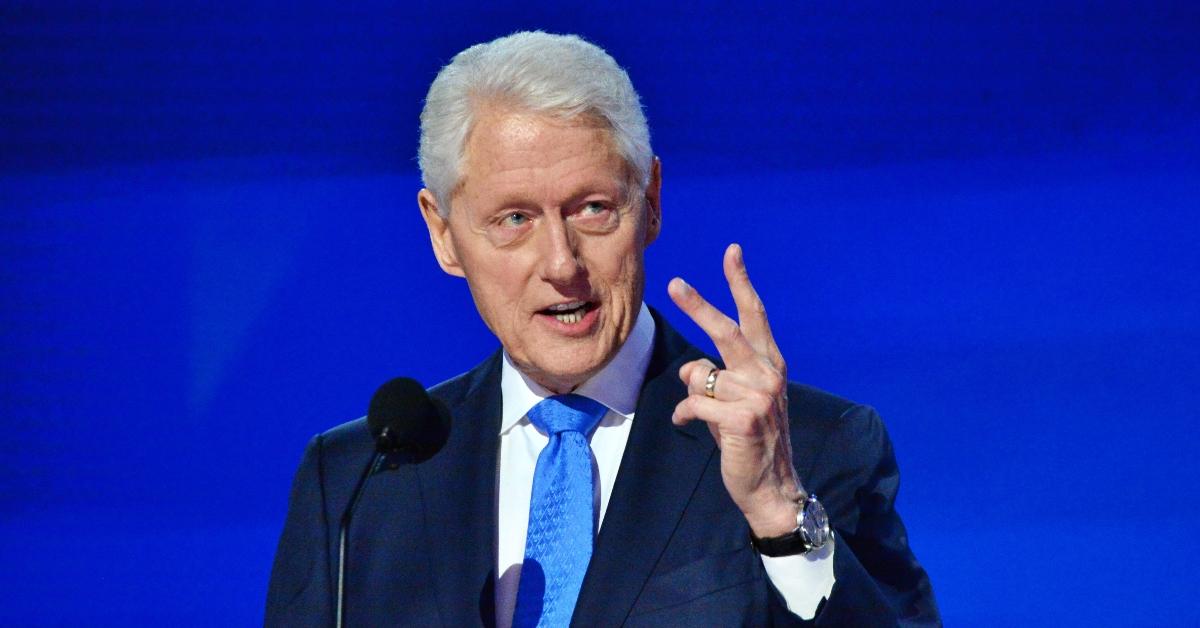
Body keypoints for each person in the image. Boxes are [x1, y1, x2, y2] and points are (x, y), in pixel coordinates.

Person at [266, 31, 938, 626]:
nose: (561, 265)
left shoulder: (808, 452)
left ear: (650, 204)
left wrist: (777, 516)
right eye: (514, 220)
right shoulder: (358, 482)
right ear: (443, 234)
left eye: (592, 208)